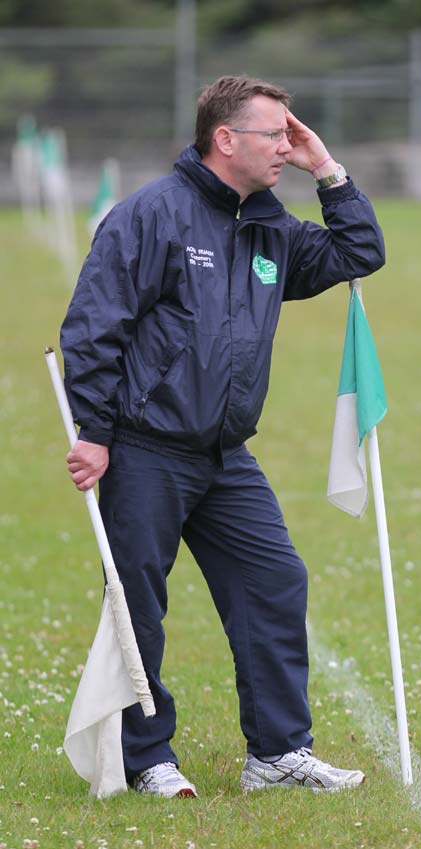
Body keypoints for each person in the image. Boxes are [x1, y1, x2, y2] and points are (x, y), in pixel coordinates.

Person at [61, 75, 385, 798]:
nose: (287, 145)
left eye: (292, 134)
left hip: (225, 454)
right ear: (226, 138)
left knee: (276, 579)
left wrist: (327, 169)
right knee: (137, 599)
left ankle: (277, 752)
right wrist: (96, 431)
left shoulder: (269, 226)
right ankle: (147, 758)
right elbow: (92, 326)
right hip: (144, 447)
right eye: (277, 133)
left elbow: (359, 251)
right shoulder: (149, 215)